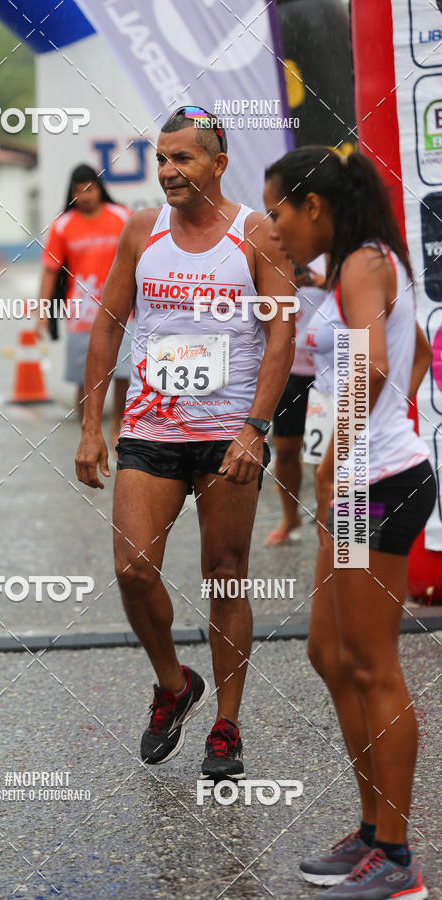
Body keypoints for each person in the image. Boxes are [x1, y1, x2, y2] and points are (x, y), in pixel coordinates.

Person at [75, 106, 295, 780]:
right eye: (162, 159)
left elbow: (281, 336)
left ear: (218, 164)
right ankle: (174, 684)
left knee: (224, 574)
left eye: (183, 159)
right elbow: (109, 322)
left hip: (228, 436)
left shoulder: (255, 233)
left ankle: (226, 727)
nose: (168, 171)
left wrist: (255, 428)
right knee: (132, 569)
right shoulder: (142, 229)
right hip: (150, 428)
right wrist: (91, 425)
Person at [264, 146, 435, 899]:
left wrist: (339, 457)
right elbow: (419, 350)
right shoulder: (353, 267)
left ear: (314, 207)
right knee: (329, 654)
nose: (273, 227)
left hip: (376, 488)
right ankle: (371, 832)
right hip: (364, 483)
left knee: (371, 665)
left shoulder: (366, 263)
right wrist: (384, 420)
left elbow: (366, 366)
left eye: (278, 210)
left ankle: (396, 861)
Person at [36, 165, 131, 446]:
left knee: (123, 374)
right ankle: (88, 432)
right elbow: (50, 271)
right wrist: (42, 313)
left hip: (122, 310)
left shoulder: (122, 217)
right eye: (78, 190)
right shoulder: (63, 225)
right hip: (81, 314)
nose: (84, 195)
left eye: (89, 188)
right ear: (72, 193)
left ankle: (117, 429)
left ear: (100, 188)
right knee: (84, 379)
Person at [265, 256, 327, 545]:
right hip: (290, 369)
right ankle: (291, 516)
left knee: (326, 452)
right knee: (287, 449)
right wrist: (287, 285)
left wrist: (322, 281)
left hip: (330, 369)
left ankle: (328, 522)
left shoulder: (337, 248)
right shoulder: (282, 250)